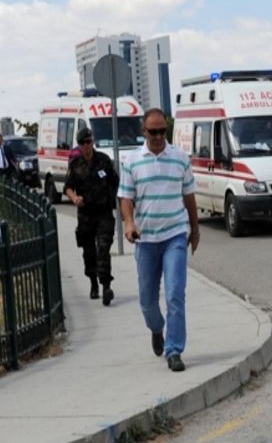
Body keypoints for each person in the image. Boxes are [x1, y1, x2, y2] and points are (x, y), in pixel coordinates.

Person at [118, 108, 199, 372]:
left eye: (162, 131)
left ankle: (174, 350)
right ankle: (156, 328)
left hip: (174, 235)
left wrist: (194, 229)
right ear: (144, 131)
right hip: (146, 240)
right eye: (153, 131)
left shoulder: (179, 158)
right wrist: (130, 223)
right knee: (147, 301)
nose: (158, 136)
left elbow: (189, 196)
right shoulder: (132, 161)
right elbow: (126, 198)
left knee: (176, 294)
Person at [64, 128, 119, 304]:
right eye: (83, 143)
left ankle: (106, 286)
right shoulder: (75, 164)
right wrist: (74, 198)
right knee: (89, 252)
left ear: (92, 142)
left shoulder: (103, 160)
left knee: (103, 248)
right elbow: (68, 187)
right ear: (79, 146)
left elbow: (115, 182)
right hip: (86, 215)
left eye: (89, 142)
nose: (86, 146)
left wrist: (110, 199)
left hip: (103, 213)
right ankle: (93, 283)